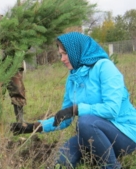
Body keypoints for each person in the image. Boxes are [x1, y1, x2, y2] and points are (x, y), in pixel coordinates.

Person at [11, 32, 136, 168]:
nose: (62, 59)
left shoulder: (104, 67)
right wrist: (33, 127)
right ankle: (97, 157)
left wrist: (76, 109)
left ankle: (112, 166)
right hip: (93, 135)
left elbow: (112, 109)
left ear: (77, 50)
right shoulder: (73, 79)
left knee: (85, 121)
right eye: (60, 55)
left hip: (125, 133)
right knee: (62, 161)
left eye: (65, 53)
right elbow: (64, 119)